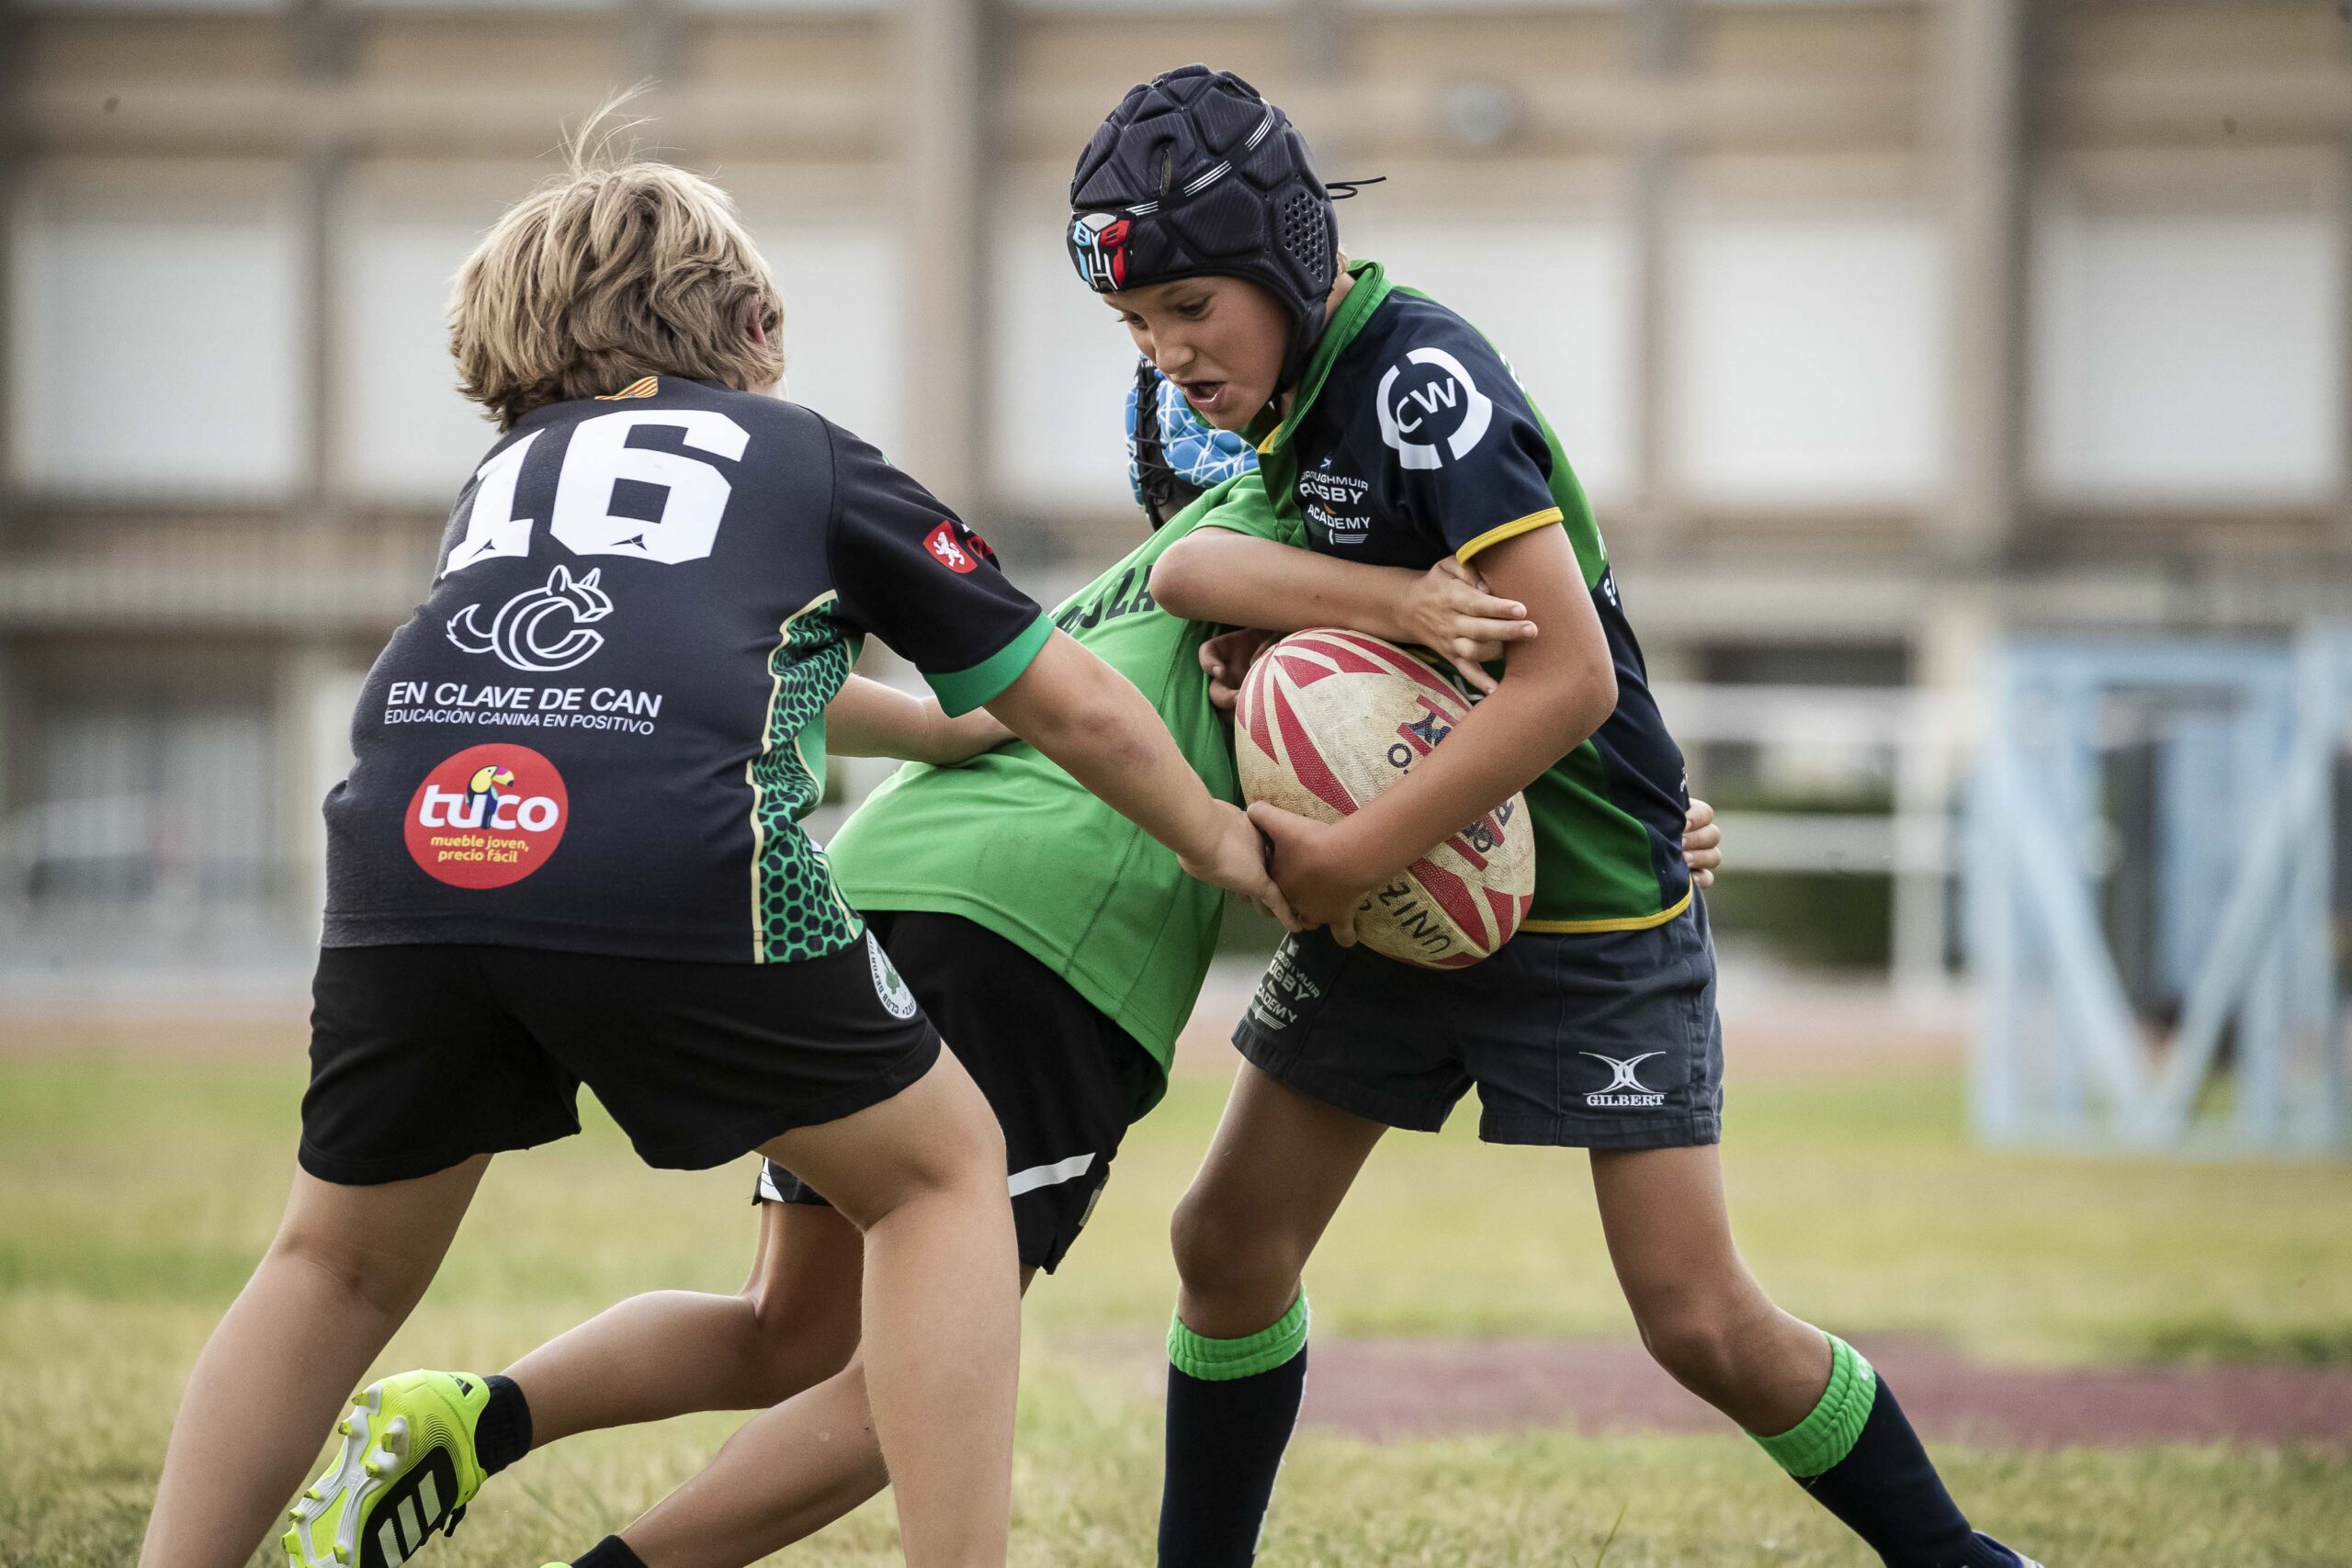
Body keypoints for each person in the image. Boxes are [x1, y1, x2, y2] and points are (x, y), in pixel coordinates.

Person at [254, 305, 1728, 1568]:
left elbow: (959, 708)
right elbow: (1363, 682)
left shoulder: (1127, 596)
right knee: (924, 1370)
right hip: (1043, 942)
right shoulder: (1300, 536)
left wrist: (1663, 821)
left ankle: (471, 1414)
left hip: (873, 881)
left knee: (793, 1327)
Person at [139, 130, 1290, 1568]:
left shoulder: (507, 474)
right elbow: (1064, 695)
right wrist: (1220, 840)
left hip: (411, 842)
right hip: (662, 858)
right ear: (753, 327)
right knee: (942, 1182)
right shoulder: (802, 452)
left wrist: (931, 739)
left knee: (334, 1261)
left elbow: (662, 669)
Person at [1067, 64, 2043, 1568]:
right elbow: (1211, 583)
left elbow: (1571, 679)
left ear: (1281, 256)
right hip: (1411, 896)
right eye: (1139, 326)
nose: (1169, 351)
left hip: (1583, 902)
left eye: (1191, 305)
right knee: (1227, 1243)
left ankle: (1974, 1565)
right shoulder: (1276, 421)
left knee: (1698, 1320)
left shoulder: (1415, 376)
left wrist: (1337, 856)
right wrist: (1330, 651)